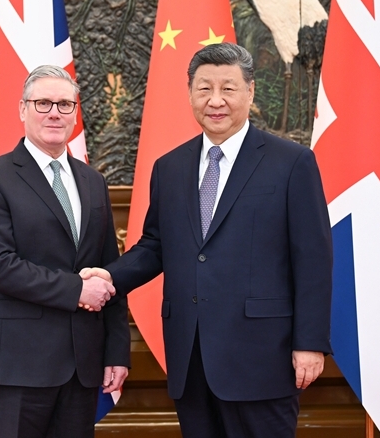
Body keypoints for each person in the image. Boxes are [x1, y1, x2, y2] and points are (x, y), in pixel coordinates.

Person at [82, 43, 333, 438]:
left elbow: (313, 259)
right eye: (204, 89)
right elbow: (155, 245)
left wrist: (310, 343)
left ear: (250, 91)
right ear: (190, 94)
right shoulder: (169, 167)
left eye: (228, 89)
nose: (216, 101)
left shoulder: (291, 163)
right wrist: (110, 277)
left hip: (263, 357)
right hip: (191, 355)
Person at [0, 64, 130, 438]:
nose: (55, 113)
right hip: (17, 365)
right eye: (43, 103)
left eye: (65, 104)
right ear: (22, 110)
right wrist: (77, 290)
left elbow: (109, 269)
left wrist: (117, 351)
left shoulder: (93, 181)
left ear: (75, 113)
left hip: (82, 365)